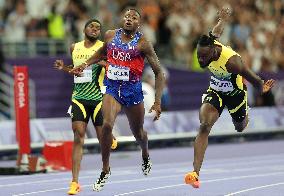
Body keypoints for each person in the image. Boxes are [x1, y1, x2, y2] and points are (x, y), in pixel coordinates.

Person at [71, 8, 165, 192]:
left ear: (139, 23)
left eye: (134, 17)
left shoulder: (143, 43)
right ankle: (105, 169)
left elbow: (159, 72)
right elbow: (100, 54)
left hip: (132, 91)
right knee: (106, 125)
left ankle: (145, 154)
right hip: (112, 88)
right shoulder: (110, 35)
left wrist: (158, 101)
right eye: (127, 16)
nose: (129, 19)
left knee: (139, 133)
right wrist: (84, 63)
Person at [184, 7, 275, 188]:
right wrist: (223, 19)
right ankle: (195, 173)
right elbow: (217, 30)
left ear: (213, 51)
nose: (201, 61)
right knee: (204, 126)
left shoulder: (231, 62)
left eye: (203, 57)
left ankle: (244, 112)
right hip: (216, 91)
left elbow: (249, 74)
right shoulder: (209, 42)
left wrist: (260, 85)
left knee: (240, 127)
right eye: (198, 55)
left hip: (235, 94)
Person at [53, 19, 118, 195]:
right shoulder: (74, 47)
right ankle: (74, 182)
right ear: (84, 29)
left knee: (102, 139)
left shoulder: (104, 47)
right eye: (92, 26)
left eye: (98, 28)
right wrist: (64, 68)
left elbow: (114, 67)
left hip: (98, 98)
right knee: (78, 136)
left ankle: (106, 164)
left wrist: (99, 63)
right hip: (79, 98)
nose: (95, 30)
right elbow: (76, 71)